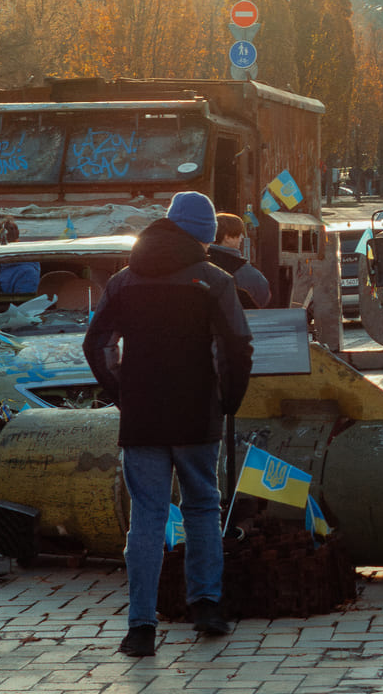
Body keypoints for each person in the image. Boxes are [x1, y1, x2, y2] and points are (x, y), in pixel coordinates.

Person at [84, 191, 253, 658]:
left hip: (142, 416)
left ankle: (141, 627)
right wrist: (229, 399)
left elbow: (97, 344)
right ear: (204, 235)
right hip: (197, 412)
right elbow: (236, 346)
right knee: (202, 506)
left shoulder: (123, 281)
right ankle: (206, 605)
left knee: (147, 516)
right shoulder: (213, 281)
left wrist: (122, 391)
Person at [206, 212, 270, 309]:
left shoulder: (198, 262)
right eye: (239, 234)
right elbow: (263, 297)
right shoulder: (248, 273)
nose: (242, 238)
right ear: (227, 237)